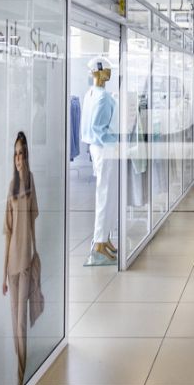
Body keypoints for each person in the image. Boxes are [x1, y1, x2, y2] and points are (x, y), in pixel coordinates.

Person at [2, 131, 39, 385]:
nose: (18, 159)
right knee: (14, 322)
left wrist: (36, 253)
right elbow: (7, 232)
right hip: (12, 265)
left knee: (21, 323)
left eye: (21, 154)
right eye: (15, 154)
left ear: (26, 156)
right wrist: (3, 276)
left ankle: (20, 377)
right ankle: (19, 366)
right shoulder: (11, 188)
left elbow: (33, 222)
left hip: (25, 263)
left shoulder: (30, 183)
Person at [80, 56, 119, 265]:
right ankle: (100, 243)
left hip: (96, 149)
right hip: (105, 149)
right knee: (106, 194)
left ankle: (105, 237)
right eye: (106, 70)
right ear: (98, 72)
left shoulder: (90, 94)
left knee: (106, 193)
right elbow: (99, 129)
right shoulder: (103, 97)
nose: (109, 73)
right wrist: (116, 143)